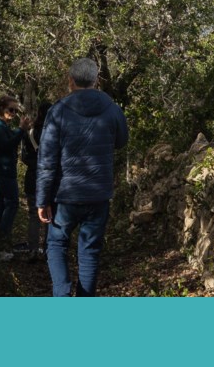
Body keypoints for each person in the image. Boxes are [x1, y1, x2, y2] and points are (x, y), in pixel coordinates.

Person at [37, 58, 128, 297]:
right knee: (89, 250)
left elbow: (46, 160)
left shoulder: (58, 110)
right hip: (98, 193)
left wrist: (41, 200)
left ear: (70, 81)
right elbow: (121, 141)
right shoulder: (111, 107)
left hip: (65, 195)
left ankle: (62, 295)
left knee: (56, 244)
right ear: (96, 80)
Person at [0, 95, 32, 244]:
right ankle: (2, 239)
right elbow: (8, 145)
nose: (13, 113)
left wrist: (22, 130)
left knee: (2, 204)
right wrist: (21, 129)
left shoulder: (2, 126)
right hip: (2, 171)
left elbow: (13, 137)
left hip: (3, 171)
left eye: (15, 110)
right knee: (12, 203)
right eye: (10, 109)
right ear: (1, 109)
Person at [18, 102, 51, 259]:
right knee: (50, 214)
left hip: (32, 177)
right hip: (50, 178)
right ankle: (48, 249)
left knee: (33, 214)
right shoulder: (54, 132)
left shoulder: (30, 133)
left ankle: (32, 249)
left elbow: (23, 156)